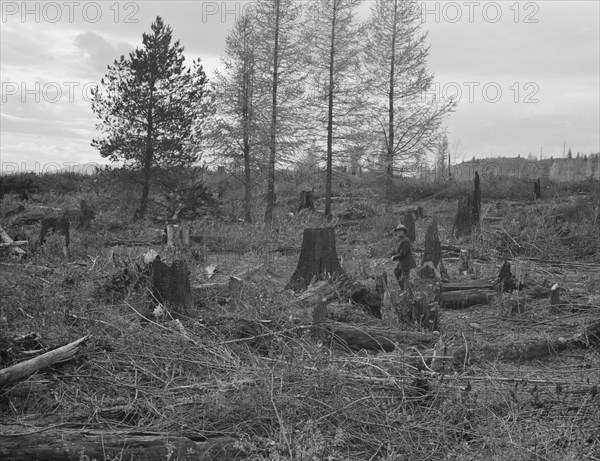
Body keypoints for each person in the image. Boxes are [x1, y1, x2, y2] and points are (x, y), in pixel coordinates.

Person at [391, 223, 415, 291]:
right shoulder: (401, 240)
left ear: (404, 231)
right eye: (397, 231)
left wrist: (394, 257)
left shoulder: (405, 240)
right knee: (397, 271)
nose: (398, 232)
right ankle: (403, 289)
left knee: (406, 278)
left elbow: (403, 253)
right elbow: (399, 251)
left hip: (407, 261)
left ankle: (409, 294)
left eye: (400, 231)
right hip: (403, 261)